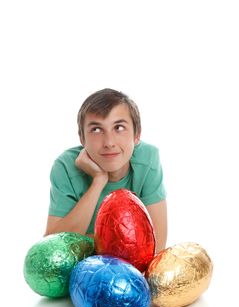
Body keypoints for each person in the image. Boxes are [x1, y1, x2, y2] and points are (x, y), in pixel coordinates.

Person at [45, 88, 167, 253]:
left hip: (132, 272)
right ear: (82, 138)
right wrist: (98, 181)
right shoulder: (65, 167)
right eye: (96, 130)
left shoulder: (148, 159)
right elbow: (52, 250)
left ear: (136, 134)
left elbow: (156, 248)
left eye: (119, 127)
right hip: (79, 271)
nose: (109, 142)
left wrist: (86, 240)